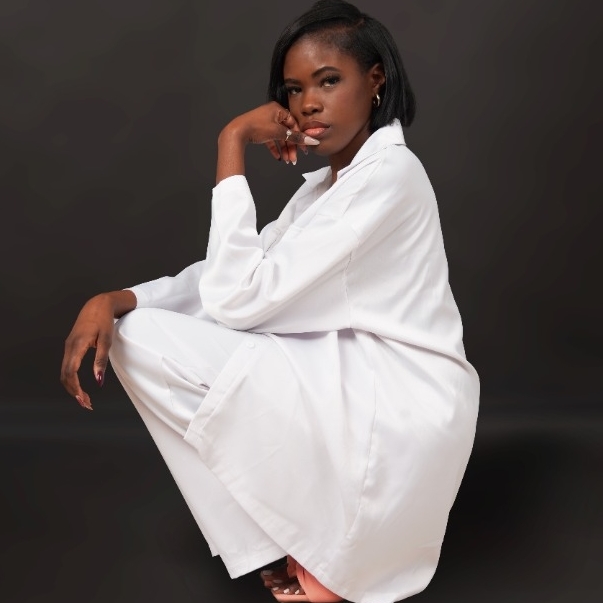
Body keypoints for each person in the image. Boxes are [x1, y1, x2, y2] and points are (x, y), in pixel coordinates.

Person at [60, 1, 480, 601]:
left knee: (153, 337)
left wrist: (230, 143)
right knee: (137, 333)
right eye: (294, 89)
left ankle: (330, 551)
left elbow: (237, 298)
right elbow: (231, 275)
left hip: (401, 399)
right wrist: (118, 298)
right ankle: (281, 543)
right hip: (348, 375)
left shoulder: (390, 175)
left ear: (376, 81)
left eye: (328, 81)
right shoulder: (326, 188)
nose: (308, 103)